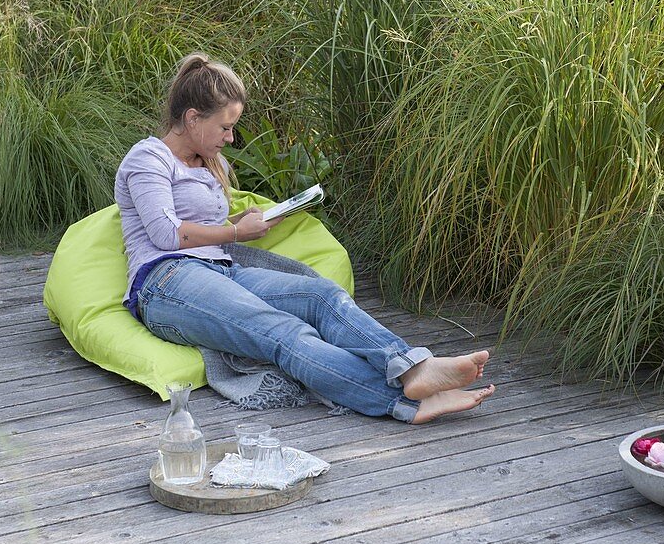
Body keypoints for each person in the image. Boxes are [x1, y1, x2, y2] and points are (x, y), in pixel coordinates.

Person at [115, 53, 496, 423]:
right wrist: (235, 232)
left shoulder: (209, 160)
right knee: (283, 332)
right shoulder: (148, 159)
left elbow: (196, 222)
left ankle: (414, 368)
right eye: (225, 127)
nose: (231, 138)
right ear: (193, 118)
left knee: (322, 295)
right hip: (166, 283)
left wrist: (243, 220)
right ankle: (402, 401)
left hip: (221, 271)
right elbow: (167, 233)